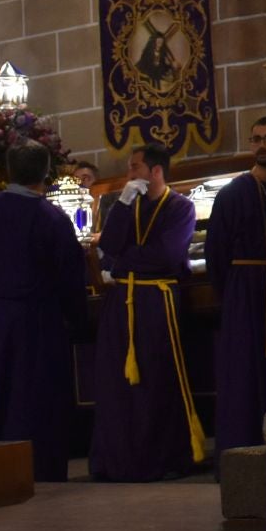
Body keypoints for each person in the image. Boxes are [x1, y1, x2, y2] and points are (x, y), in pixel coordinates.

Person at [0, 140, 88, 481]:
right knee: (39, 397)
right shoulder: (51, 218)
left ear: (9, 171)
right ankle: (41, 470)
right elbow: (70, 276)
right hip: (39, 320)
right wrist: (77, 321)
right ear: (45, 173)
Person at [90, 141, 205, 483]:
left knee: (156, 379)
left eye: (135, 168)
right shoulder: (129, 205)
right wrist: (122, 205)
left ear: (155, 171)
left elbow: (167, 257)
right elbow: (108, 247)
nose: (130, 174)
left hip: (156, 304)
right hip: (122, 303)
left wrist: (124, 260)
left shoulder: (180, 208)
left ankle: (158, 457)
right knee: (117, 384)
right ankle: (118, 459)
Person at [205, 116, 266, 453]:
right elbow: (215, 253)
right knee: (244, 372)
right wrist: (234, 293)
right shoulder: (233, 194)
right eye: (256, 138)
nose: (263, 145)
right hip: (244, 293)